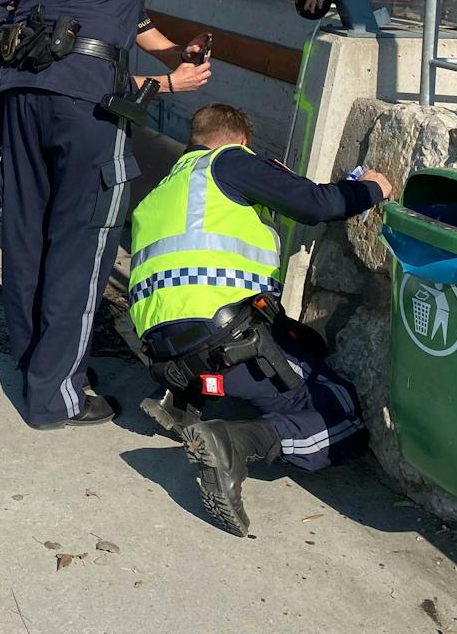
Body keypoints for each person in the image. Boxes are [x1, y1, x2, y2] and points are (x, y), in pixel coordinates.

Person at [0, 0, 328, 430]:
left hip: (23, 95)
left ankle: (39, 364)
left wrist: (12, 63)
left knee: (28, 231)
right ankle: (55, 396)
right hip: (91, 97)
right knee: (84, 239)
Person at [129, 103, 392, 536]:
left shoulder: (166, 190)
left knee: (294, 346)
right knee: (339, 413)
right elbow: (314, 203)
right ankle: (235, 444)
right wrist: (371, 188)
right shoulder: (230, 161)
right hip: (225, 340)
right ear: (242, 139)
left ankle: (179, 400)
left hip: (165, 351)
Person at [0, 17, 214, 320]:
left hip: (61, 103)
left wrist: (182, 53)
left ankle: (45, 310)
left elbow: (153, 39)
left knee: (51, 201)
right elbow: (77, 78)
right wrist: (166, 84)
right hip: (3, 91)